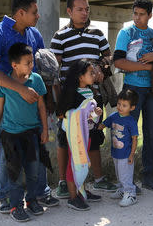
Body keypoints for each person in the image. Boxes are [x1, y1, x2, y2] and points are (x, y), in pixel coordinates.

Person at [0, 0, 59, 213]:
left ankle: (39, 193)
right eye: (34, 12)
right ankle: (6, 196)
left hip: (33, 100)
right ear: (20, 13)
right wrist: (20, 89)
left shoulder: (33, 33)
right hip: (7, 100)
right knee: (7, 150)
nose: (38, 16)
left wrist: (46, 96)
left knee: (38, 145)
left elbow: (41, 65)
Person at [50, 0, 116, 198]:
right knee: (65, 139)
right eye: (80, 9)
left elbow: (109, 57)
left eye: (87, 8)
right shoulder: (60, 36)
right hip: (70, 97)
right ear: (69, 11)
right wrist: (58, 99)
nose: (84, 12)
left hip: (93, 95)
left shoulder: (97, 34)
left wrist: (101, 67)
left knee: (93, 137)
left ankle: (97, 180)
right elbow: (54, 67)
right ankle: (63, 182)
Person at [0, 43, 49, 222]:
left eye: (32, 62)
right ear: (14, 65)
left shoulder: (36, 80)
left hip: (32, 134)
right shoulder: (4, 83)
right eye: (27, 63)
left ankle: (31, 201)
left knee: (33, 172)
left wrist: (45, 129)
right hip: (11, 136)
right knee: (15, 174)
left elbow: (42, 106)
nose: (31, 66)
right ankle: (16, 205)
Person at [114, 0, 153, 192]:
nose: (137, 17)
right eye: (135, 13)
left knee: (150, 134)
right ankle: (127, 181)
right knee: (126, 133)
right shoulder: (126, 32)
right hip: (131, 89)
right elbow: (118, 62)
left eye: (141, 14)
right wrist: (148, 66)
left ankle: (148, 177)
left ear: (150, 15)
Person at [56, 59, 103, 211]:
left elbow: (89, 114)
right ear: (80, 76)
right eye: (91, 73)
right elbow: (64, 114)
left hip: (86, 134)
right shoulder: (71, 93)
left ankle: (81, 191)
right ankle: (73, 197)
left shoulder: (89, 91)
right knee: (74, 163)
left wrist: (96, 113)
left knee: (83, 162)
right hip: (75, 136)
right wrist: (85, 113)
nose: (94, 75)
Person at [98, 89, 139, 206]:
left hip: (126, 154)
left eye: (124, 105)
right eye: (119, 104)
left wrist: (132, 154)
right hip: (116, 152)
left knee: (125, 174)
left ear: (132, 108)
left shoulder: (131, 121)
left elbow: (134, 139)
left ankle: (131, 194)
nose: (120, 107)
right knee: (119, 174)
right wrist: (93, 119)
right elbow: (102, 125)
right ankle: (122, 190)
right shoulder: (113, 116)